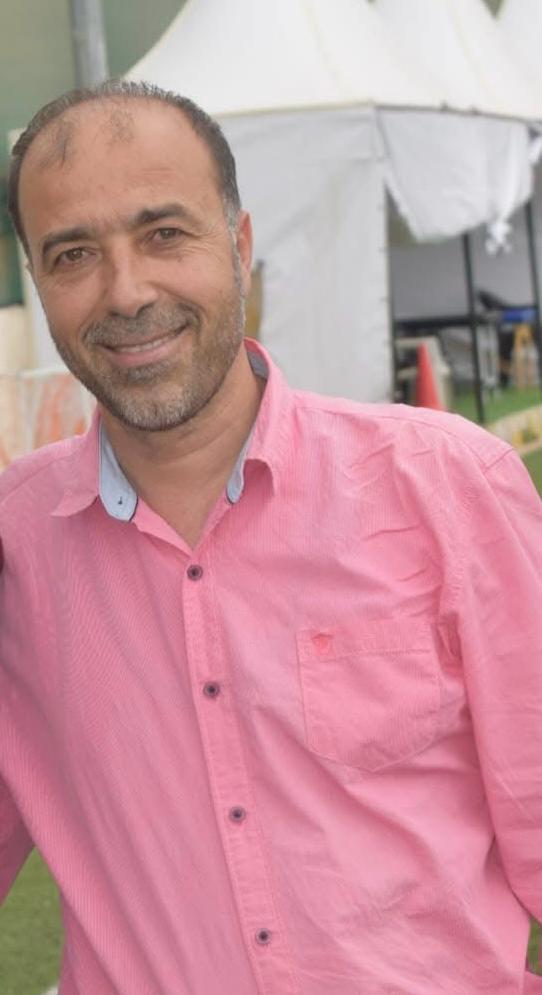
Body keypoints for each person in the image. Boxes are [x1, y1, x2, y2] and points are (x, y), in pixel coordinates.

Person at [1, 80, 541, 995]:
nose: (126, 292)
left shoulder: (446, 486)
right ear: (36, 279)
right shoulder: (15, 547)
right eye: (74, 254)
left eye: (164, 233)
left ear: (241, 245)